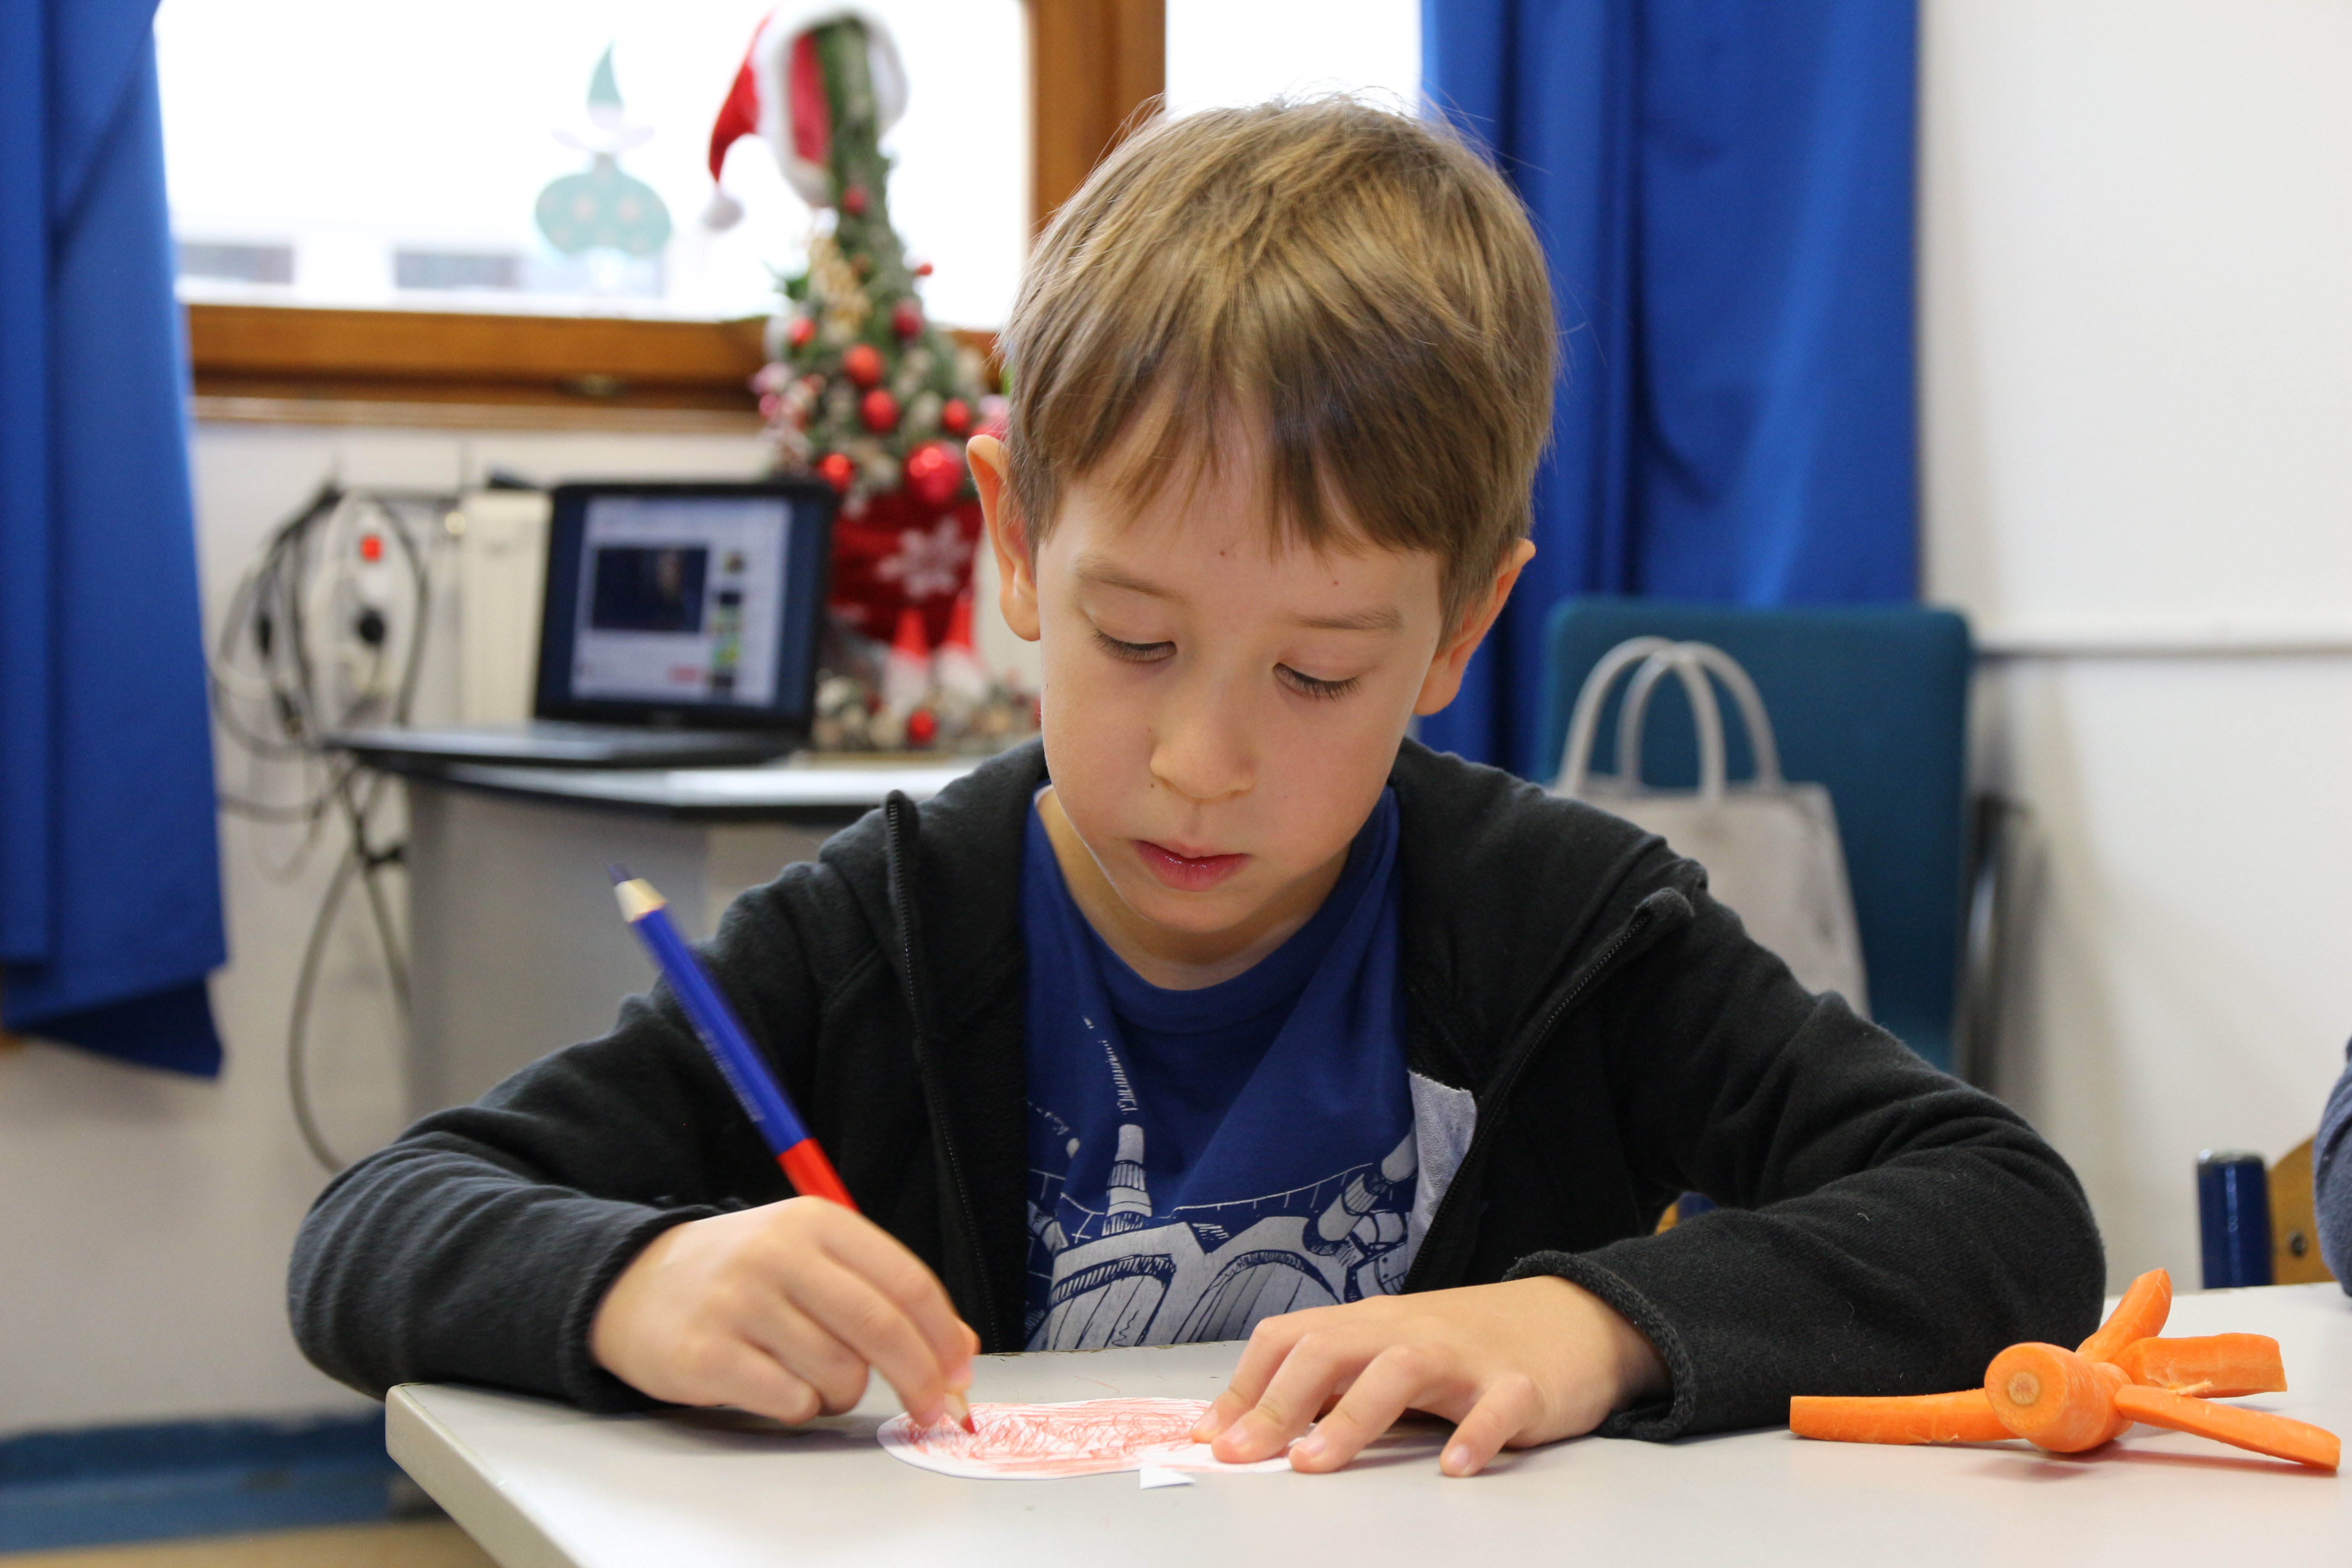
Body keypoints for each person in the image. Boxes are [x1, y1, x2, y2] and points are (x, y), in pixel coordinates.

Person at [289, 99, 2102, 1477]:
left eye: (1317, 676)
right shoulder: (880, 934)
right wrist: (632, 1283)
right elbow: (372, 1229)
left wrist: (1592, 1323)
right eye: (1137, 640)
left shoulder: (1569, 927)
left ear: (1463, 631)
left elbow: (2007, 1213)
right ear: (1015, 543)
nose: (1201, 764)